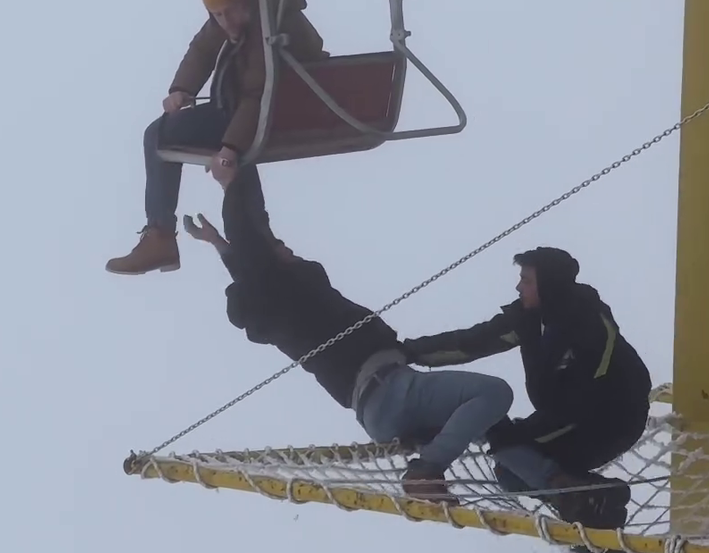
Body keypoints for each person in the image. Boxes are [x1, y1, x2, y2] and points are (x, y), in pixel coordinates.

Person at [185, 177, 515, 502]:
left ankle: (557, 488)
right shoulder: (288, 291)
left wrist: (219, 245)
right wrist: (234, 180)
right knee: (493, 393)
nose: (288, 247)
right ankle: (427, 470)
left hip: (377, 413)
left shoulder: (276, 311)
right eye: (279, 246)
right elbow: (251, 237)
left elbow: (251, 268)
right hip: (392, 389)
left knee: (494, 426)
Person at [402, 247, 652, 553]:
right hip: (569, 415)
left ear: (548, 284)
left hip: (612, 416)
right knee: (509, 472)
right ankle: (597, 514)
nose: (519, 287)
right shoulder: (529, 318)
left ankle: (593, 508)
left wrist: (525, 432)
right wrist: (406, 351)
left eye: (526, 279)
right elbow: (472, 342)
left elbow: (587, 396)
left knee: (508, 444)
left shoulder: (589, 323)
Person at [106, 0, 325, 277]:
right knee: (170, 133)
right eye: (217, 15)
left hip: (271, 112)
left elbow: (257, 92)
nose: (225, 22)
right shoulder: (244, 14)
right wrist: (182, 88)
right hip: (260, 111)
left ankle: (162, 234)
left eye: (228, 12)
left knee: (171, 138)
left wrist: (230, 149)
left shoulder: (268, 23)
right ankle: (251, 239)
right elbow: (203, 48)